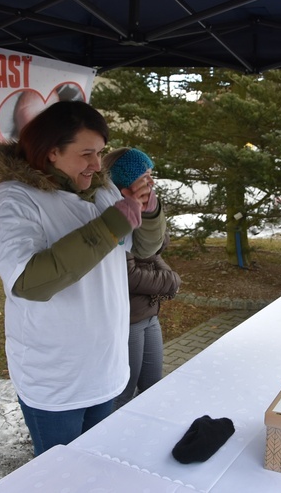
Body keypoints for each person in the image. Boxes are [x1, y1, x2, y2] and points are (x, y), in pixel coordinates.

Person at [0, 101, 166, 456]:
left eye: (99, 153)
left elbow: (141, 248)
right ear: (51, 152)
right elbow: (30, 282)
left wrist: (148, 210)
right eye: (86, 154)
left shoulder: (100, 190)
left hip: (107, 368)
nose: (97, 165)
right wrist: (112, 223)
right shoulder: (15, 198)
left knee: (97, 468)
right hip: (57, 379)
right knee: (62, 478)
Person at [103, 148, 182, 409]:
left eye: (151, 174)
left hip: (149, 315)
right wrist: (169, 281)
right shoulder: (115, 213)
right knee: (123, 394)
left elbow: (154, 250)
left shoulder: (147, 210)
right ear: (124, 183)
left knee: (153, 386)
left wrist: (165, 273)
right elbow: (129, 274)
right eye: (144, 176)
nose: (151, 182)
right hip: (129, 320)